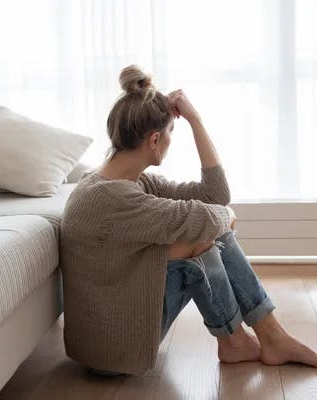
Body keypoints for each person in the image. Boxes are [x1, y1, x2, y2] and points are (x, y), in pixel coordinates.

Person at [60, 64, 317, 377]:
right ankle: (255, 339)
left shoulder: (122, 183)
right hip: (115, 350)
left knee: (205, 233)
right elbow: (214, 215)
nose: (171, 140)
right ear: (154, 140)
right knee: (205, 237)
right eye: (171, 132)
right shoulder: (116, 200)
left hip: (107, 333)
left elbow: (215, 194)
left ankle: (247, 340)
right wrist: (228, 217)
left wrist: (196, 121)